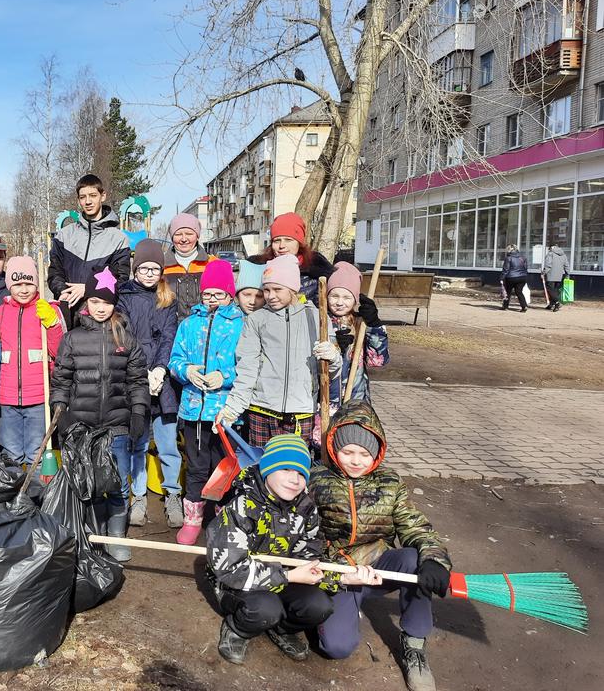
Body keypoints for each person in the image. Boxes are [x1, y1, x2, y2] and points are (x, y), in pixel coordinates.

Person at [311, 401, 452, 691]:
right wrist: (338, 576)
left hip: (379, 567)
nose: (355, 460)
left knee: (415, 560)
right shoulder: (316, 482)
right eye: (347, 451)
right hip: (338, 574)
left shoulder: (389, 483)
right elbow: (305, 540)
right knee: (336, 647)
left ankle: (414, 644)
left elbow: (415, 525)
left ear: (376, 453)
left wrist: (435, 559)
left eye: (364, 453)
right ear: (333, 446)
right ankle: (328, 613)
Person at [207, 436, 341, 665]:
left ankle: (281, 628)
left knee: (320, 606)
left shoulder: (306, 508)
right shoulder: (241, 507)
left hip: (283, 576)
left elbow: (311, 553)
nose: (294, 479)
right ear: (268, 467)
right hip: (236, 583)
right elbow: (231, 570)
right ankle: (238, 628)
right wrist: (287, 575)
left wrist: (342, 576)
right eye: (286, 469)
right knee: (265, 610)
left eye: (301, 473)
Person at [50, 266, 150, 562]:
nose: (100, 308)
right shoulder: (72, 339)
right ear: (86, 303)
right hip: (82, 426)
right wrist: (60, 410)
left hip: (116, 425)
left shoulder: (126, 340)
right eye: (95, 302)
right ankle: (92, 532)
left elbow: (137, 380)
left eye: (106, 303)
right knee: (89, 481)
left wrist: (138, 412)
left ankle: (116, 534)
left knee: (117, 481)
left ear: (114, 304)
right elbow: (62, 379)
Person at [217, 254, 339, 453]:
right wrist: (232, 408)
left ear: (293, 288)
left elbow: (330, 372)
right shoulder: (257, 320)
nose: (270, 296)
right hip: (261, 410)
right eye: (266, 290)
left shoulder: (316, 317)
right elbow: (247, 368)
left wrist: (332, 357)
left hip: (300, 412)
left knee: (294, 472)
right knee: (261, 471)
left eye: (277, 289)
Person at [167, 260, 244, 545]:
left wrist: (223, 377)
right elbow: (174, 359)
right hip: (193, 409)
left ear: (229, 294)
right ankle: (193, 518)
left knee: (223, 467)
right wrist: (186, 371)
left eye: (218, 294)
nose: (212, 300)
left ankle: (222, 519)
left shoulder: (240, 325)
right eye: (207, 294)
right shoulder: (189, 323)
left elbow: (247, 366)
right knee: (196, 466)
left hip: (225, 412)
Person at [116, 239, 183, 527]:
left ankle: (173, 494)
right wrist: (142, 370)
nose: (148, 274)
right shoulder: (125, 297)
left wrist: (160, 369)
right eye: (143, 268)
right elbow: (125, 335)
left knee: (168, 443)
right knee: (138, 444)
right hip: (136, 377)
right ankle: (138, 496)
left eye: (154, 268)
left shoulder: (168, 298)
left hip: (162, 380)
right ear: (135, 269)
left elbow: (170, 335)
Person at [0, 256, 64, 466]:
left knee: (37, 452)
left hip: (39, 396)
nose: (24, 289)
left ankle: (37, 494)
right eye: (18, 284)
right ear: (9, 285)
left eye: (29, 283)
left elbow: (59, 351)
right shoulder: (0, 313)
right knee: (11, 453)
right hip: (7, 397)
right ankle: (14, 494)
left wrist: (52, 324)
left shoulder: (47, 310)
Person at [47, 173, 131, 326]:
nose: (88, 201)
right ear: (78, 200)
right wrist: (64, 292)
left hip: (100, 319)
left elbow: (120, 279)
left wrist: (89, 289)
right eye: (83, 197)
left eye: (93, 195)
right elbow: (54, 272)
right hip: (67, 313)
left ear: (102, 196)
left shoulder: (118, 239)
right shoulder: (65, 235)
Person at [325, 261, 389, 409]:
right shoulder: (320, 321)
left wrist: (374, 325)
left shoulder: (361, 323)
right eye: (334, 296)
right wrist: (336, 346)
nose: (340, 302)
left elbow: (378, 361)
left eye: (347, 297)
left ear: (355, 299)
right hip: (325, 402)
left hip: (356, 400)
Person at [250, 212, 334, 305]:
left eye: (288, 240)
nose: (282, 246)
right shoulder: (260, 268)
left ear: (299, 243)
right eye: (277, 241)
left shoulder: (316, 271)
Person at [162, 213, 219, 319]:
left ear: (197, 236)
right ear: (172, 237)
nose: (184, 239)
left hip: (205, 327)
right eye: (178, 234)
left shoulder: (213, 263)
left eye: (189, 233)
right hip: (171, 329)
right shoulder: (162, 265)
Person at [541, 241, 571, 312]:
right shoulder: (563, 255)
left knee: (550, 290)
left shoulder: (550, 254)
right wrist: (567, 274)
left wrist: (543, 273)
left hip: (551, 275)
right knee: (555, 290)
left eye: (549, 248)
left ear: (552, 247)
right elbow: (566, 265)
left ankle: (557, 303)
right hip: (560, 275)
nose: (549, 249)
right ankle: (551, 304)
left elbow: (548, 265)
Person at [500, 244, 529, 312]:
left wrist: (501, 278)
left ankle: (505, 306)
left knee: (507, 292)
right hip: (522, 277)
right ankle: (524, 306)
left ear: (509, 250)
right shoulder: (523, 257)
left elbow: (505, 270)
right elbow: (526, 268)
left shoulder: (508, 258)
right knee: (519, 292)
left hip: (511, 277)